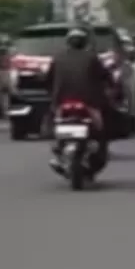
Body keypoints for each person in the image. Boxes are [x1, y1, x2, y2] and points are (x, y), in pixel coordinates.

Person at [47, 26, 112, 170]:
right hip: (89, 102)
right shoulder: (91, 57)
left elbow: (48, 79)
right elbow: (105, 77)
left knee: (53, 122)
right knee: (101, 129)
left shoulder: (58, 58)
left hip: (62, 101)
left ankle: (59, 149)